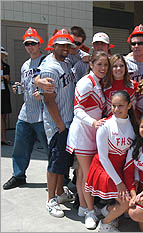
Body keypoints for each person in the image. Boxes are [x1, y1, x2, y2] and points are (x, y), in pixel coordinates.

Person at [65, 51, 109, 226]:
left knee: (83, 173)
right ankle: (89, 211)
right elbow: (77, 109)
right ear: (91, 64)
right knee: (86, 174)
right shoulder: (85, 82)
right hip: (83, 133)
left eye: (105, 65)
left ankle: (84, 207)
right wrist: (93, 122)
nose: (103, 68)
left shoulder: (99, 83)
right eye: (99, 64)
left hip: (92, 132)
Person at [84, 90, 138, 231]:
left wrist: (129, 180)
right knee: (126, 203)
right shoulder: (105, 125)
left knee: (128, 205)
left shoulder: (134, 126)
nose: (116, 109)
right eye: (113, 105)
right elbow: (103, 157)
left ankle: (106, 211)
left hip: (120, 169)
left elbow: (130, 157)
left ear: (129, 105)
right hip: (104, 168)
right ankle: (105, 224)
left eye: (120, 106)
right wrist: (119, 183)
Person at [2, 27, 49, 190]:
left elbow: (52, 84)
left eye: (33, 43)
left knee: (50, 149)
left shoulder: (46, 61)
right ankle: (18, 175)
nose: (30, 47)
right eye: (27, 44)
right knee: (20, 147)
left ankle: (60, 178)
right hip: (26, 112)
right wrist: (19, 88)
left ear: (39, 44)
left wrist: (43, 95)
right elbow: (25, 85)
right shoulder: (25, 65)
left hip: (43, 114)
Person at [38, 28, 76, 218]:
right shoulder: (50, 68)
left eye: (67, 44)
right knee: (54, 163)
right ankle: (51, 199)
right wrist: (60, 125)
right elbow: (48, 100)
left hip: (68, 122)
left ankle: (60, 193)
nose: (65, 47)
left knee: (62, 163)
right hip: (57, 124)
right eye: (61, 44)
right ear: (53, 46)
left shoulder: (67, 62)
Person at [1, 46, 12, 146]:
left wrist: (4, 77)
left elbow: (8, 79)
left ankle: (3, 138)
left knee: (3, 116)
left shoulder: (6, 66)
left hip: (3, 92)